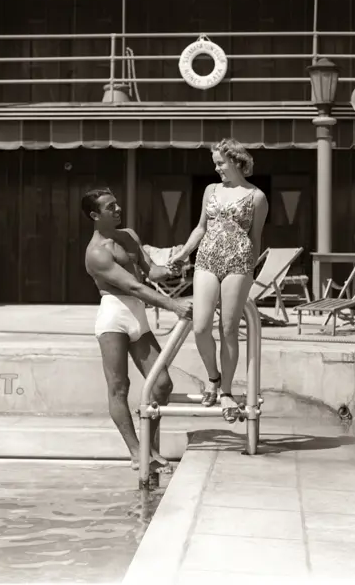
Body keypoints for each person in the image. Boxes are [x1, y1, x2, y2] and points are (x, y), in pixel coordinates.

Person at [83, 187, 193, 474]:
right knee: (119, 388)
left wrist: (172, 267)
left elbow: (148, 271)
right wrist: (174, 305)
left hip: (137, 317)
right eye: (110, 207)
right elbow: (132, 286)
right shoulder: (96, 253)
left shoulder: (129, 236)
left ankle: (147, 447)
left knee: (161, 384)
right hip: (113, 318)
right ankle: (136, 451)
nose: (118, 209)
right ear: (95, 215)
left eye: (117, 204)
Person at [169, 138, 268, 424]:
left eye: (221, 163)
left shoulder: (257, 197)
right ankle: (212, 376)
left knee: (228, 329)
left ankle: (226, 391)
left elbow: (256, 238)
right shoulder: (210, 190)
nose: (217, 169)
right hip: (207, 260)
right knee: (200, 326)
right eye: (215, 164)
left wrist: (249, 272)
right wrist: (183, 254)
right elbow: (201, 227)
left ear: (236, 161)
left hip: (238, 263)